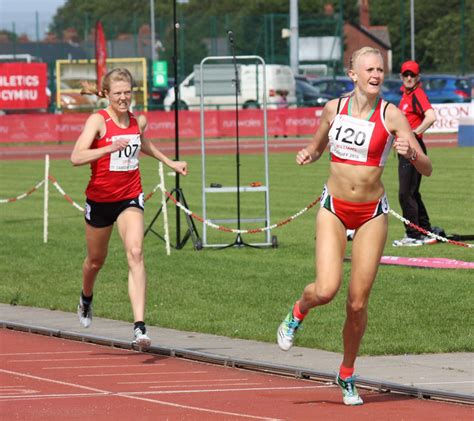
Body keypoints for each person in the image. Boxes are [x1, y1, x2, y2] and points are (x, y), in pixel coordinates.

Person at [276, 47, 432, 406]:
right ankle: (298, 310)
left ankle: (346, 373)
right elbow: (316, 148)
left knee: (357, 304)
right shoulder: (334, 109)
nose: (377, 75)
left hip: (371, 214)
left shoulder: (392, 115)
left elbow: (427, 168)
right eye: (370, 69)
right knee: (327, 289)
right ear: (353, 74)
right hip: (334, 209)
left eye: (380, 69)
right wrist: (306, 155)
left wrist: (411, 152)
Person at [71, 68, 187, 347]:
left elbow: (141, 143)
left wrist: (170, 162)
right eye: (118, 93)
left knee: (136, 251)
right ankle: (86, 297)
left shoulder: (137, 121)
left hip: (129, 197)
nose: (123, 98)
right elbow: (76, 157)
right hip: (99, 201)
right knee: (95, 261)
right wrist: (107, 149)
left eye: (127, 92)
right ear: (107, 94)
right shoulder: (97, 121)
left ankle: (139, 327)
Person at [393, 60, 437, 246]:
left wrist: (415, 133)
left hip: (412, 148)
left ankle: (413, 235)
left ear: (418, 77)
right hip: (407, 146)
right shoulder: (407, 95)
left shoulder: (417, 94)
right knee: (412, 192)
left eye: (412, 75)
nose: (409, 78)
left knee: (405, 194)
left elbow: (431, 116)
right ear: (401, 76)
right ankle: (425, 230)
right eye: (406, 75)